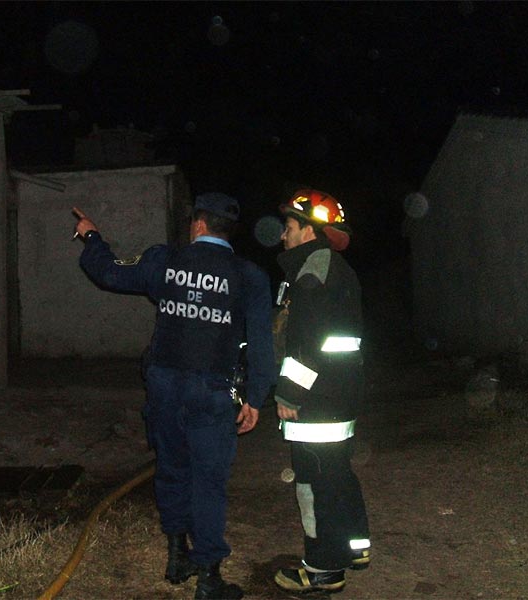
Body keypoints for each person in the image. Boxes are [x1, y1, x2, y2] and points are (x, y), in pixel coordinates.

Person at [72, 193, 275, 600]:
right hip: (211, 392)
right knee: (208, 480)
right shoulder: (248, 275)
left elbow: (108, 273)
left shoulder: (164, 260)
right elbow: (261, 343)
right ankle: (208, 577)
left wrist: (91, 236)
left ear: (198, 225)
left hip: (164, 387)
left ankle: (176, 555)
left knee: (173, 469)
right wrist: (256, 397)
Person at [271, 189, 371, 594]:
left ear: (309, 231)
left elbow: (308, 342)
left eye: (289, 227)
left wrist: (288, 394)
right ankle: (354, 547)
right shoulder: (335, 268)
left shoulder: (313, 271)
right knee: (337, 474)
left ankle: (324, 568)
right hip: (338, 395)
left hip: (316, 399)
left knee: (314, 484)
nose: (282, 236)